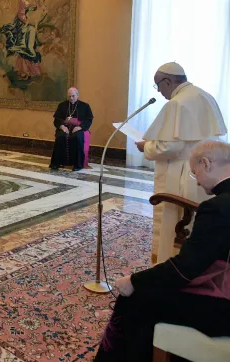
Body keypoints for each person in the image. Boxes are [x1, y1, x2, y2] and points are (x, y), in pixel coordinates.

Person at [94, 139, 230, 361]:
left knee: (134, 298)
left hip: (224, 309)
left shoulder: (218, 208)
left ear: (206, 163)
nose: (197, 184)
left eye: (196, 174)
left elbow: (185, 270)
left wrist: (134, 281)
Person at [136, 62, 226, 263]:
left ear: (167, 81)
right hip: (207, 173)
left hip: (181, 173)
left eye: (158, 85)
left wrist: (146, 147)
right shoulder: (203, 95)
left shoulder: (176, 103)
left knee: (174, 221)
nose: (158, 91)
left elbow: (169, 147)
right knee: (196, 223)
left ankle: (170, 261)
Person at [49, 87, 93, 171]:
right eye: (69, 96)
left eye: (73, 96)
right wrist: (62, 126)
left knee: (77, 138)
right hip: (64, 127)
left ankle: (77, 164)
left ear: (77, 95)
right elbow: (57, 119)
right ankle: (56, 163)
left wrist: (80, 127)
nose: (71, 98)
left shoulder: (85, 106)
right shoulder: (62, 105)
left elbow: (89, 119)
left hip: (78, 128)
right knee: (60, 137)